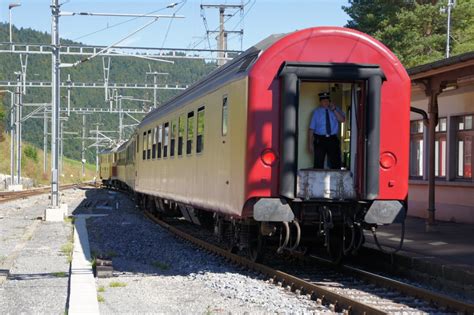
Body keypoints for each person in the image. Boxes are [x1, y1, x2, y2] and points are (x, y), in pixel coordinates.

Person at [308, 91, 345, 169]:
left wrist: (334, 109)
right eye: (323, 101)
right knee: (318, 162)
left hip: (332, 139)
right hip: (320, 139)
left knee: (335, 162)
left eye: (327, 100)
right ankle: (318, 180)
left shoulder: (336, 109)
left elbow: (342, 120)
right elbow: (311, 129)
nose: (326, 102)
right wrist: (310, 144)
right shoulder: (316, 112)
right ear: (320, 102)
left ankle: (337, 180)